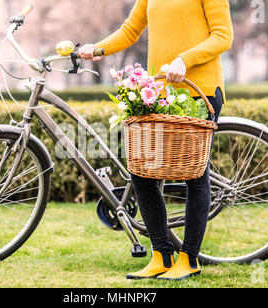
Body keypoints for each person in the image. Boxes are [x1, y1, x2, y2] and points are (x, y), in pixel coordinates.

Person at [78, 0, 233, 281]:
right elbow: (130, 30)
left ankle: (189, 258)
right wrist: (98, 48)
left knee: (195, 176)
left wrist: (184, 60)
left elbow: (223, 35)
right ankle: (161, 255)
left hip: (200, 93)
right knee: (141, 171)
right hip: (160, 95)